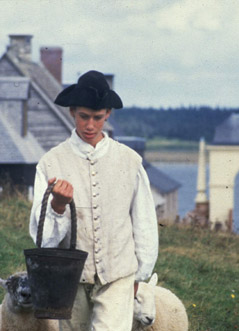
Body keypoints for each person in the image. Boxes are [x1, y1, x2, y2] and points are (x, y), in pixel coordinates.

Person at [29, 70, 158, 331]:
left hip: (118, 276)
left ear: (108, 114)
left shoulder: (129, 161)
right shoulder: (50, 163)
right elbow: (43, 240)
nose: (90, 125)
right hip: (70, 280)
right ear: (72, 113)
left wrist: (140, 274)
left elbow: (144, 223)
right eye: (84, 117)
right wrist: (58, 206)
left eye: (97, 118)